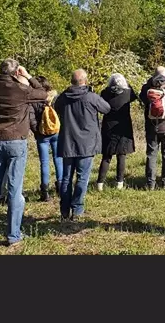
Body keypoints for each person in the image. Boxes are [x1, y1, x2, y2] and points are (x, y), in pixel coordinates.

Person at [0, 58, 48, 247]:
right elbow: (44, 94)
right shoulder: (22, 90)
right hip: (16, 141)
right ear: (15, 72)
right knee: (14, 189)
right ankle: (13, 235)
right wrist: (27, 76)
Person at [54, 69, 111, 220]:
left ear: (71, 81)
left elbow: (56, 107)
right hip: (86, 143)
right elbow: (106, 108)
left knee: (66, 178)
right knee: (82, 177)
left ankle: (64, 210)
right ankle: (77, 209)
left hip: (67, 141)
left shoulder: (63, 97)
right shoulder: (91, 97)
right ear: (85, 81)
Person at [139, 66, 165, 190]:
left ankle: (150, 183)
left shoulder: (147, 87)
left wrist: (149, 82)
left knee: (151, 154)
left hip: (151, 126)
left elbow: (142, 99)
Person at [97, 73, 137, 190]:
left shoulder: (105, 93)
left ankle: (100, 183)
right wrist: (127, 84)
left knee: (106, 156)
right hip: (123, 126)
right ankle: (119, 183)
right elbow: (134, 96)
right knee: (121, 155)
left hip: (108, 126)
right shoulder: (127, 93)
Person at [30, 76, 60, 202]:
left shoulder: (33, 101)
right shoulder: (55, 98)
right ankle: (61, 188)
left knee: (44, 162)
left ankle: (45, 192)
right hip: (56, 132)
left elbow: (31, 119)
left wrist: (38, 130)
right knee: (58, 159)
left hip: (42, 135)